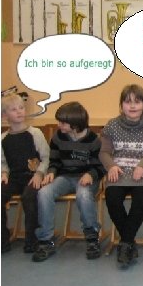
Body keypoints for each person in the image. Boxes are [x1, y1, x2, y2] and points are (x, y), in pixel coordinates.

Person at [100, 84, 143, 269]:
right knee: (112, 198)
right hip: (120, 172)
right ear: (121, 105)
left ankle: (125, 244)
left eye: (137, 101)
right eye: (127, 102)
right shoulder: (112, 125)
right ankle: (128, 242)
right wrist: (111, 166)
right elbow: (104, 152)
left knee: (141, 198)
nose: (132, 106)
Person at [33, 102, 106, 262]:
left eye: (62, 123)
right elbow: (54, 161)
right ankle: (46, 240)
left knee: (83, 194)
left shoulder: (94, 140)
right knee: (44, 192)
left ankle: (92, 237)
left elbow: (101, 166)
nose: (59, 125)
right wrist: (51, 172)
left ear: (75, 123)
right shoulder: (58, 137)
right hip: (65, 177)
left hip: (86, 178)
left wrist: (91, 174)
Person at [1, 93, 49, 254]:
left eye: (21, 108)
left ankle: (32, 240)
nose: (19, 111)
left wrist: (39, 173)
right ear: (5, 115)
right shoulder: (3, 138)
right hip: (14, 178)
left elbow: (46, 158)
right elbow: (2, 162)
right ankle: (2, 240)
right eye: (13, 109)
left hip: (33, 177)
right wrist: (3, 173)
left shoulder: (35, 133)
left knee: (29, 197)